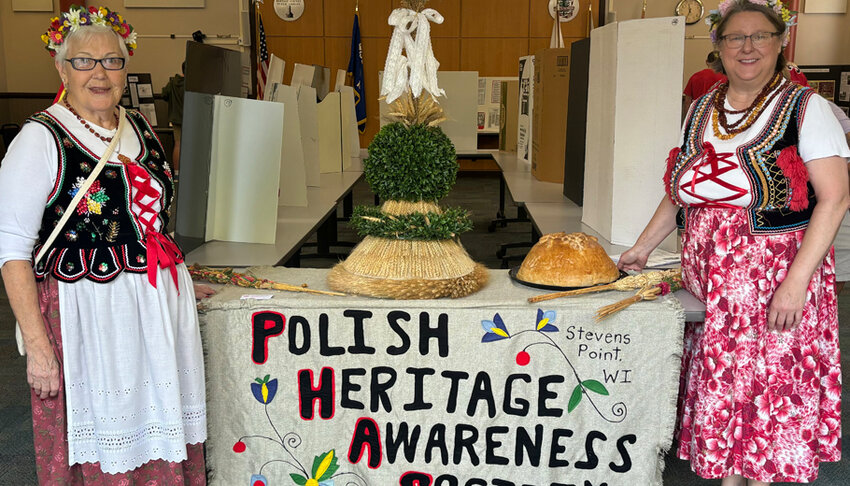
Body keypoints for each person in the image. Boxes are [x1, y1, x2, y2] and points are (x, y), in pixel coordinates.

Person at [618, 1, 849, 484]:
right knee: (729, 387)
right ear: (718, 47)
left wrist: (796, 282)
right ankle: (730, 475)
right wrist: (642, 247)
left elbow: (835, 199)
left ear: (780, 41)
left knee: (767, 389)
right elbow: (682, 193)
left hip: (773, 278)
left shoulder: (807, 109)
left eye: (759, 36)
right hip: (713, 282)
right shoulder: (703, 109)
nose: (747, 47)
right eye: (734, 38)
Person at [0, 6, 213, 484]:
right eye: (84, 61)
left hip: (158, 311)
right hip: (90, 317)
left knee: (164, 419)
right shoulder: (41, 138)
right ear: (61, 68)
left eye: (112, 61)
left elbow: (148, 225)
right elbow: (10, 249)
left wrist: (178, 281)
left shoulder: (139, 125)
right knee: (107, 432)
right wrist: (37, 347)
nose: (99, 72)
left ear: (126, 67)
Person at [161, 62, 185, 175]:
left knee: (178, 144)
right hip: (191, 118)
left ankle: (176, 172)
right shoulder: (191, 84)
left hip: (176, 119)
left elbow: (164, 95)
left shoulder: (173, 83)